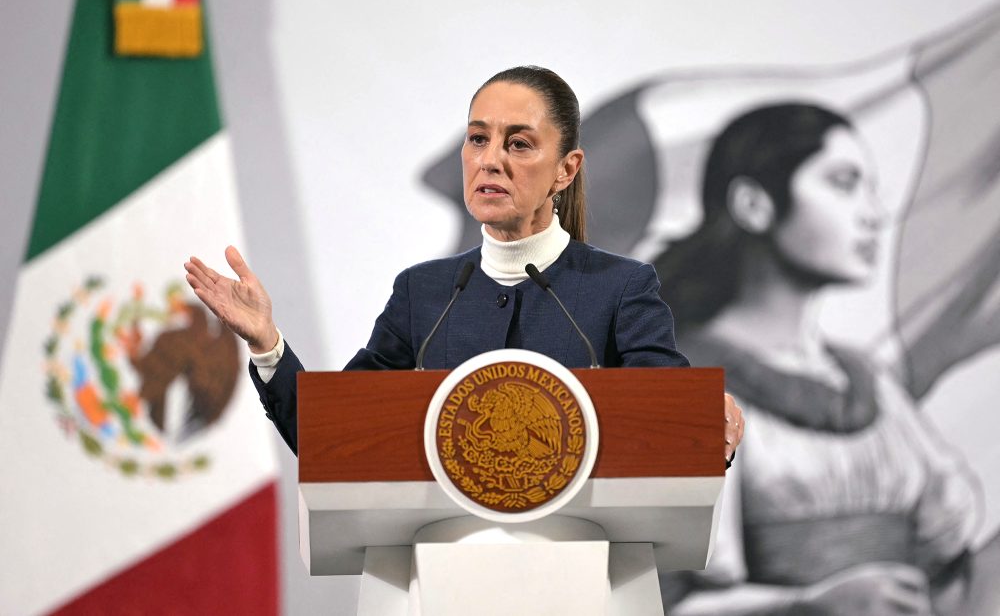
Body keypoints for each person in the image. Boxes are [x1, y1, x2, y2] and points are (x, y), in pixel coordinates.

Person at [183, 65, 745, 458]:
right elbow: (333, 434)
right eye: (478, 139)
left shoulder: (621, 287)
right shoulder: (423, 293)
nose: (490, 160)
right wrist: (266, 343)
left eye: (519, 144)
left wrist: (707, 421)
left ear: (566, 170)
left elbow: (671, 430)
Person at [653, 103, 984, 615]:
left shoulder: (868, 383)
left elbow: (948, 553)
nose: (874, 214)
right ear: (753, 204)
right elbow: (653, 603)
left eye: (871, 188)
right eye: (844, 183)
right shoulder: (672, 383)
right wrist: (807, 604)